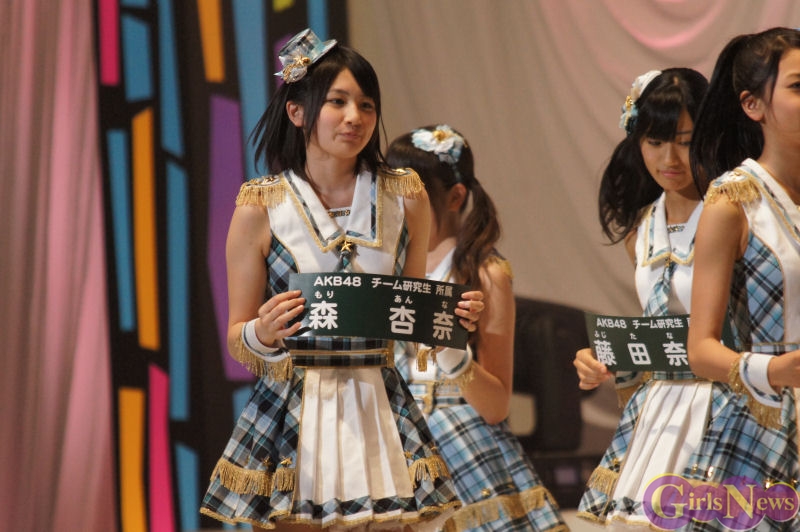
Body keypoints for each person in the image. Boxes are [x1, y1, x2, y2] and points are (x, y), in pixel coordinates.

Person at [199, 29, 484, 531]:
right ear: (297, 111)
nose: (355, 117)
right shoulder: (260, 205)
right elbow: (237, 335)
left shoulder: (405, 196)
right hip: (295, 411)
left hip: (380, 404)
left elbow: (413, 313)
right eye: (337, 102)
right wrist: (262, 332)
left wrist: (450, 320)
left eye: (367, 105)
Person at [386, 125, 569, 532]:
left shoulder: (486, 273)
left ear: (455, 197)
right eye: (389, 190)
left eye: (411, 193)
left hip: (462, 445)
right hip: (393, 443)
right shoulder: (386, 268)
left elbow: (496, 405)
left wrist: (453, 355)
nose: (396, 203)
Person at [573, 68, 709, 527]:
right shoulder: (642, 230)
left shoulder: (733, 212)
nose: (669, 158)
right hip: (661, 412)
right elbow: (659, 334)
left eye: (685, 141)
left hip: (728, 404)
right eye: (655, 141)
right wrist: (606, 360)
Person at [686, 27, 800, 531]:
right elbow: (701, 349)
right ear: (754, 105)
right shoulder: (733, 200)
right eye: (798, 86)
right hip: (768, 423)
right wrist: (773, 370)